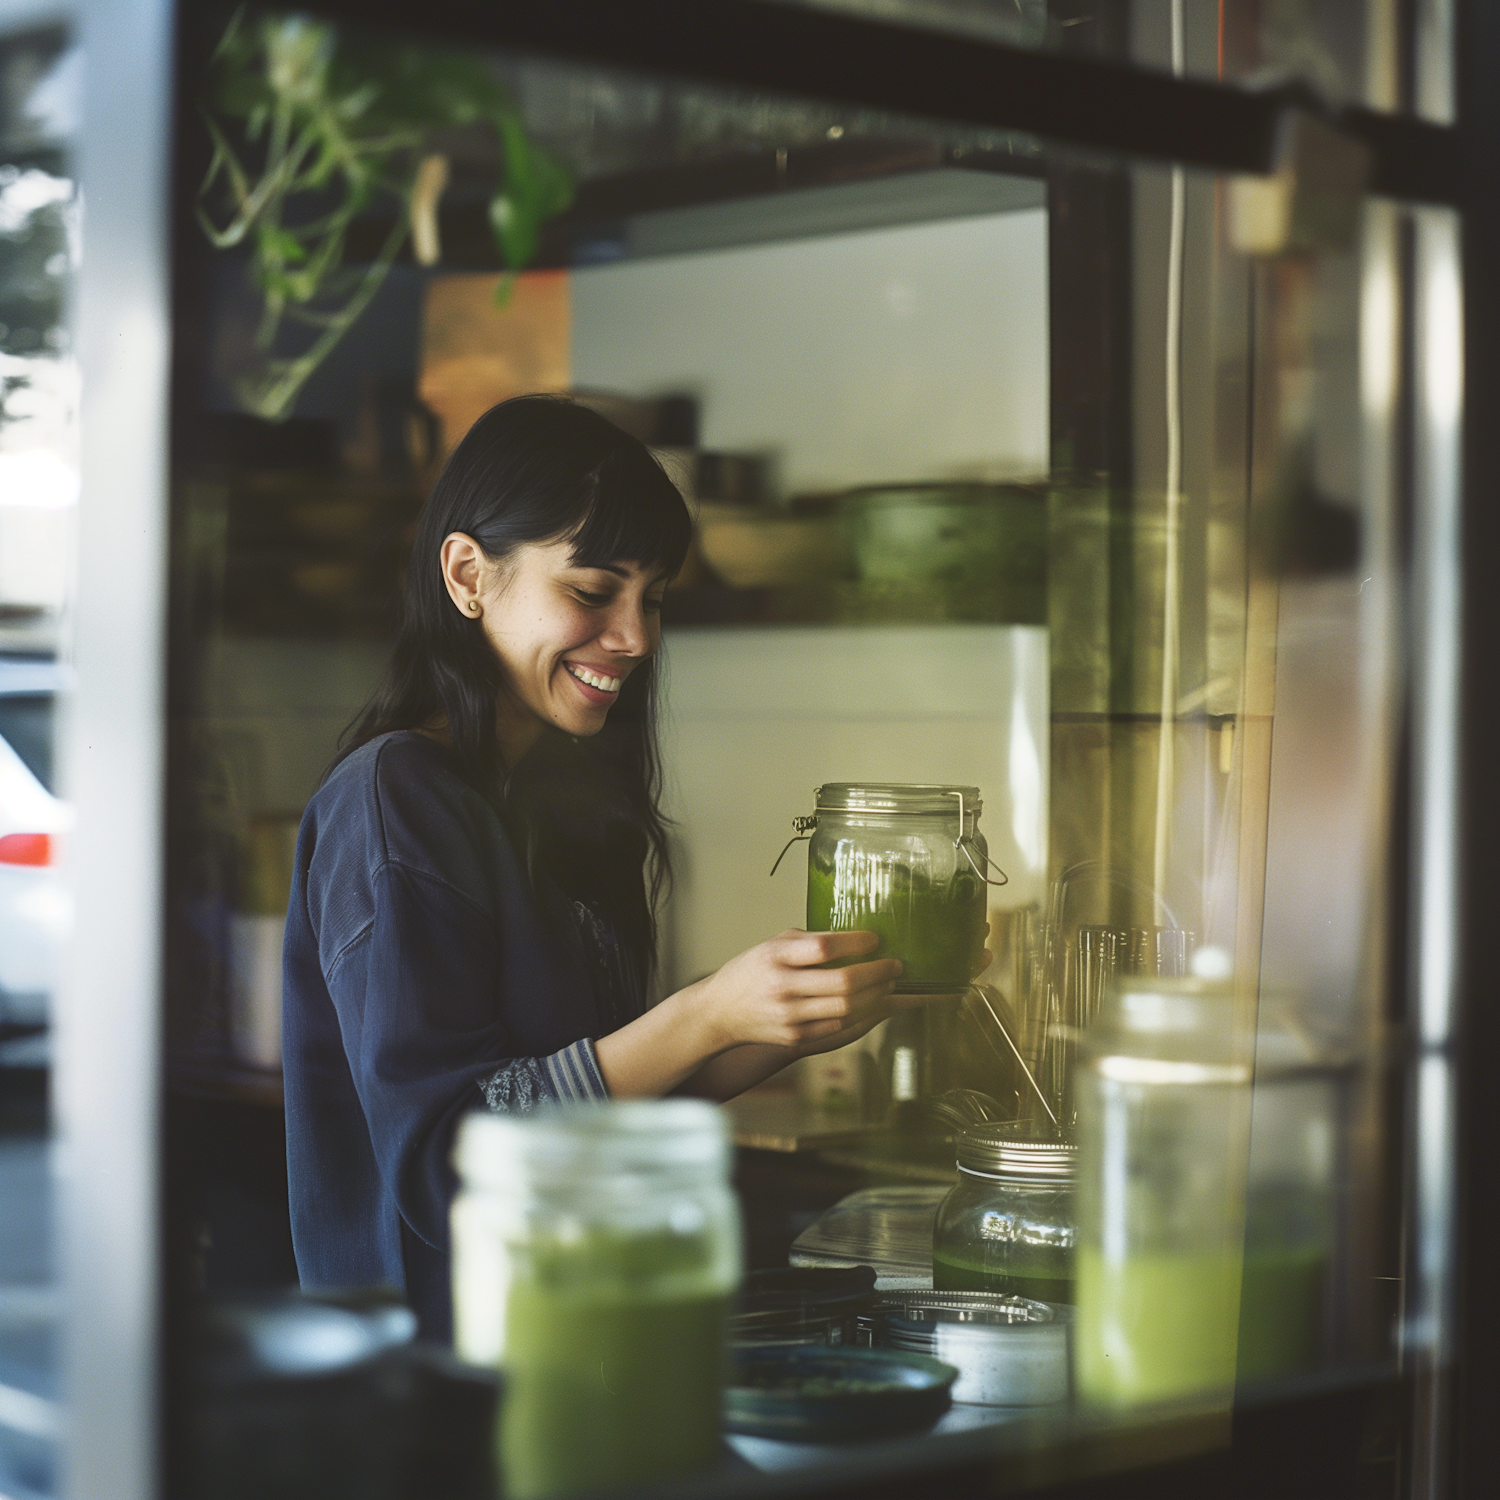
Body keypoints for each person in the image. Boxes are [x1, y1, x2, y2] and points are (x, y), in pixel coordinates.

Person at [282, 396, 946, 1340]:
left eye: (656, 597)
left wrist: (795, 1019)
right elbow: (451, 1162)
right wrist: (708, 1009)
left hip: (575, 1353)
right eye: (594, 592)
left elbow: (600, 1106)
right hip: (441, 1395)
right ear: (469, 575)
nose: (637, 637)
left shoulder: (550, 799)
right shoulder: (396, 798)